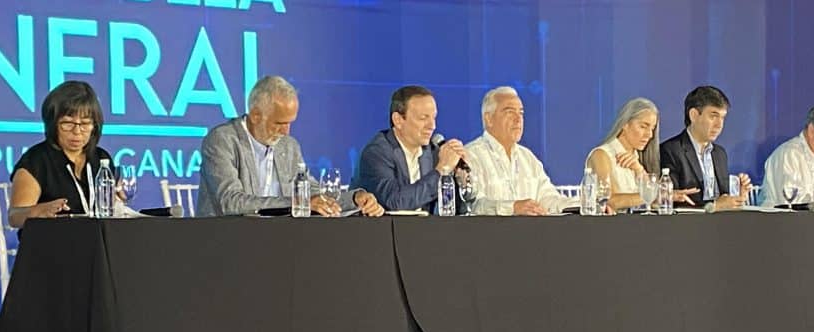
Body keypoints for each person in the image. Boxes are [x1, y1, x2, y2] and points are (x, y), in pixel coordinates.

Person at [197, 76, 383, 217]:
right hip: (226, 244)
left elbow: (313, 193)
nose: (286, 132)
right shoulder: (222, 140)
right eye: (279, 123)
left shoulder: (288, 146)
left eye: (290, 123)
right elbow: (231, 202)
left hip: (278, 242)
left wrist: (355, 198)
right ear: (255, 115)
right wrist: (298, 203)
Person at [8, 81, 114, 228]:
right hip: (49, 244)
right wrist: (40, 210)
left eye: (84, 124)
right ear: (53, 124)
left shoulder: (102, 158)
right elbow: (15, 217)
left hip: (94, 242)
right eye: (68, 123)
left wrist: (116, 199)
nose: (77, 131)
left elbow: (109, 210)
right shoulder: (36, 160)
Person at [351, 85, 466, 213]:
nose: (432, 126)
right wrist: (441, 170)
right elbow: (395, 201)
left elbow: (454, 210)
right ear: (398, 120)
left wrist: (460, 181)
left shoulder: (433, 151)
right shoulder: (377, 152)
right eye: (423, 118)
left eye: (434, 118)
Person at [463, 86, 573, 216]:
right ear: (488, 119)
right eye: (509, 112)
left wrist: (584, 204)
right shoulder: (471, 155)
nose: (518, 119)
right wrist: (513, 208)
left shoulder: (528, 158)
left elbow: (549, 199)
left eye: (521, 113)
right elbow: (473, 205)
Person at [659, 86, 752, 210]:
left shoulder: (720, 153)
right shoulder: (670, 150)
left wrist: (738, 196)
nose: (719, 125)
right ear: (694, 115)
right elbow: (672, 203)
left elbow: (723, 199)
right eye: (713, 116)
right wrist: (713, 206)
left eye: (722, 118)